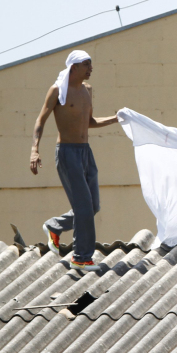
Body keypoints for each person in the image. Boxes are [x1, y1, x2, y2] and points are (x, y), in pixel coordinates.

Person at [30, 50, 120, 271]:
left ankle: (54, 226)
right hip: (67, 153)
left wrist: (116, 119)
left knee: (93, 206)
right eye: (86, 64)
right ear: (74, 67)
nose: (91, 68)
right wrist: (34, 150)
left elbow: (89, 122)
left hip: (85, 152)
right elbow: (40, 120)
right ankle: (81, 258)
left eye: (91, 64)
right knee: (83, 207)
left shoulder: (88, 90)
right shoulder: (57, 91)